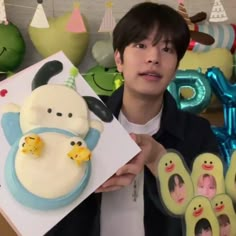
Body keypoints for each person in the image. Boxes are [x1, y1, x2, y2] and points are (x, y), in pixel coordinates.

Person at [46, 2, 219, 236]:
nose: (153, 58)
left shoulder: (197, 134)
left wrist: (159, 160)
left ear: (177, 66)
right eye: (141, 45)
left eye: (167, 49)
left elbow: (213, 216)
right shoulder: (80, 116)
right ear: (119, 59)